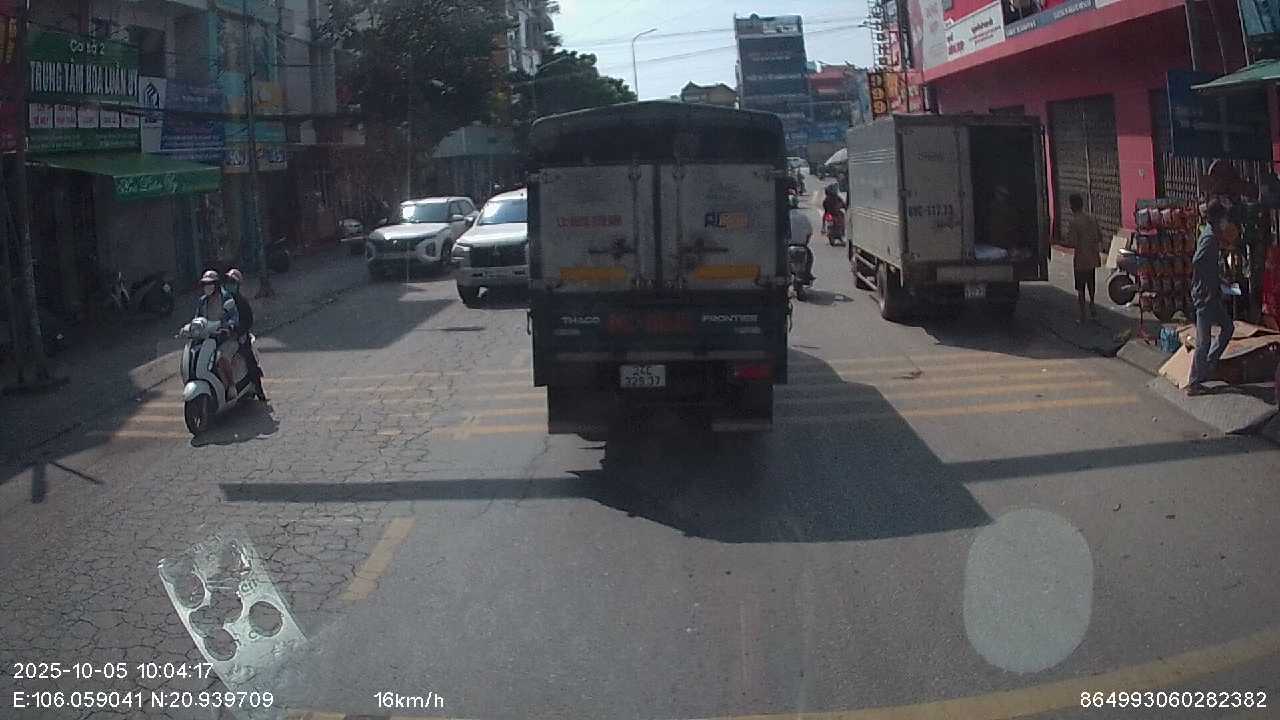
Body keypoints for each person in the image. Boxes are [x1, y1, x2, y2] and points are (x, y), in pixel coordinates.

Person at [1187, 200, 1235, 396]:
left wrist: (1219, 280)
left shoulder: (1212, 234)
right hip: (1205, 296)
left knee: (1228, 328)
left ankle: (1208, 365)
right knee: (1203, 340)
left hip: (1212, 293)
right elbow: (1198, 261)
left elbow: (1208, 266)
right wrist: (1208, 284)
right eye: (1223, 218)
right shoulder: (1209, 238)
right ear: (1217, 218)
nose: (1225, 222)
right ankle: (1194, 382)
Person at [193, 270, 240, 401]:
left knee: (221, 358)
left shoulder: (226, 299)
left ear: (216, 285)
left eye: (210, 284)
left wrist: (229, 327)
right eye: (205, 284)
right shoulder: (202, 301)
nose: (207, 287)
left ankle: (231, 386)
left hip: (226, 338)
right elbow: (197, 318)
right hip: (207, 339)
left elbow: (234, 317)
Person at [223, 269, 267, 401]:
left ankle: (259, 390)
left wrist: (237, 331)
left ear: (237, 285)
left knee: (249, 360)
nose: (229, 285)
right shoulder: (221, 301)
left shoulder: (241, 302)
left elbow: (248, 321)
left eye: (232, 282)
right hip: (223, 338)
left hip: (239, 337)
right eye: (227, 282)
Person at [1065, 193, 1104, 323]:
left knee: (1080, 288)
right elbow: (1099, 236)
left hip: (1081, 260)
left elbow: (1073, 242)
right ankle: (1092, 303)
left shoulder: (1074, 222)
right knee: (1091, 283)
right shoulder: (1092, 218)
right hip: (1092, 257)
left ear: (1072, 206)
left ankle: (1082, 314)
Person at [788, 191, 814, 281]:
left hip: (787, 246)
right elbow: (809, 232)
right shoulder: (803, 217)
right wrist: (805, 243)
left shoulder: (783, 216)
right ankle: (808, 273)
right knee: (810, 256)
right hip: (801, 246)